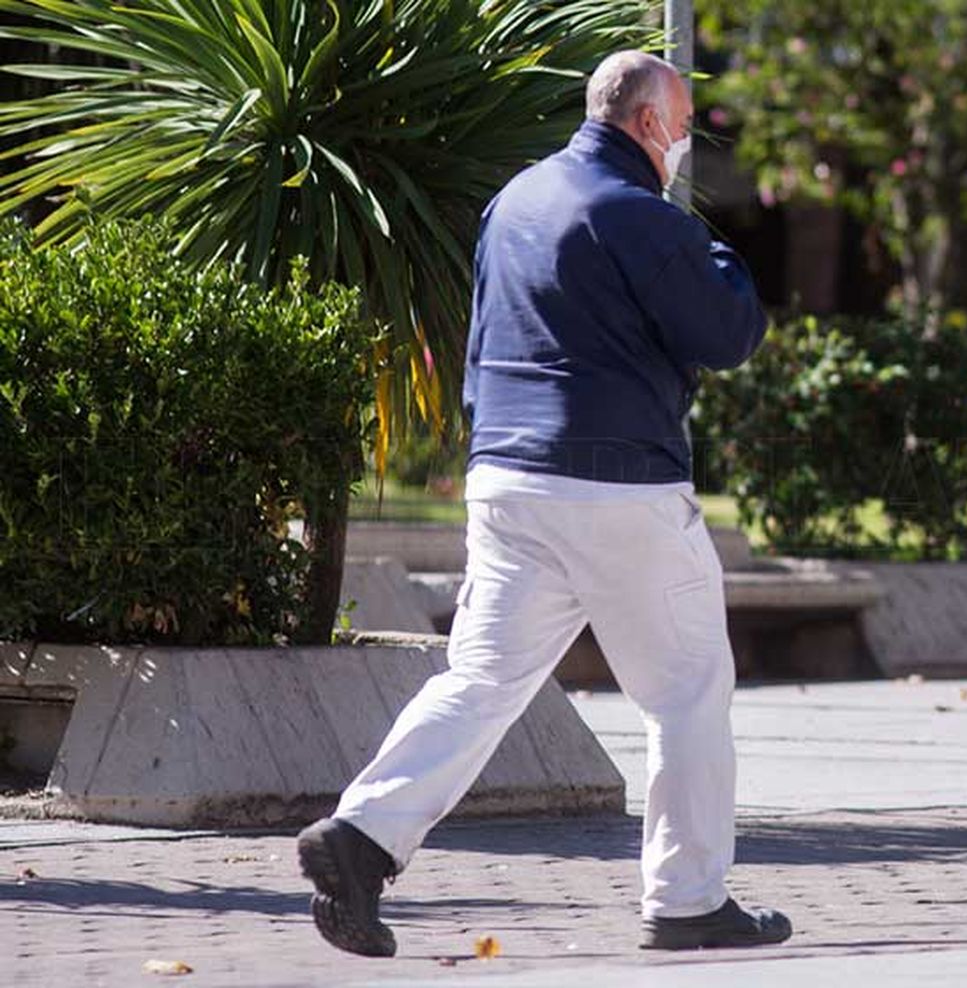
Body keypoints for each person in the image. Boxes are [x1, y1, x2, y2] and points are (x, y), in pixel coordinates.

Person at [296, 50, 792, 955]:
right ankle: (686, 901)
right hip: (618, 487)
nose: (684, 144)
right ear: (646, 123)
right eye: (682, 127)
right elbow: (728, 333)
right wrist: (717, 250)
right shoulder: (639, 215)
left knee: (482, 681)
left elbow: (486, 333)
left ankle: (362, 838)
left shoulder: (515, 198)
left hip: (507, 480)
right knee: (687, 691)